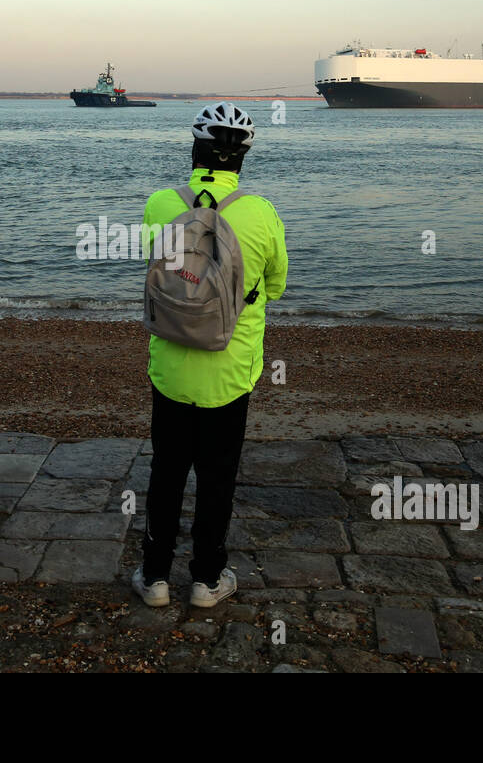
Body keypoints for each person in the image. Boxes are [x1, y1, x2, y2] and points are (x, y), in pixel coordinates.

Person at [132, 102, 288, 608]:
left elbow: (154, 270)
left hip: (171, 369)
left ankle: (154, 576)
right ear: (242, 156)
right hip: (230, 373)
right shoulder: (260, 212)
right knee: (218, 476)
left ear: (195, 148)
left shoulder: (160, 203)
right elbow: (278, 286)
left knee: (166, 471)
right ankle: (206, 579)